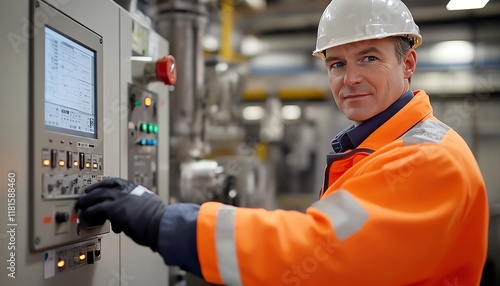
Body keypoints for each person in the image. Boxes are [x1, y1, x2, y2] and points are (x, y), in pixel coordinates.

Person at [75, 0, 489, 284]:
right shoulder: (377, 150)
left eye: (369, 57)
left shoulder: (428, 160)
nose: (350, 79)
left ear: (408, 62)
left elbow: (317, 252)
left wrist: (165, 223)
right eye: (337, 64)